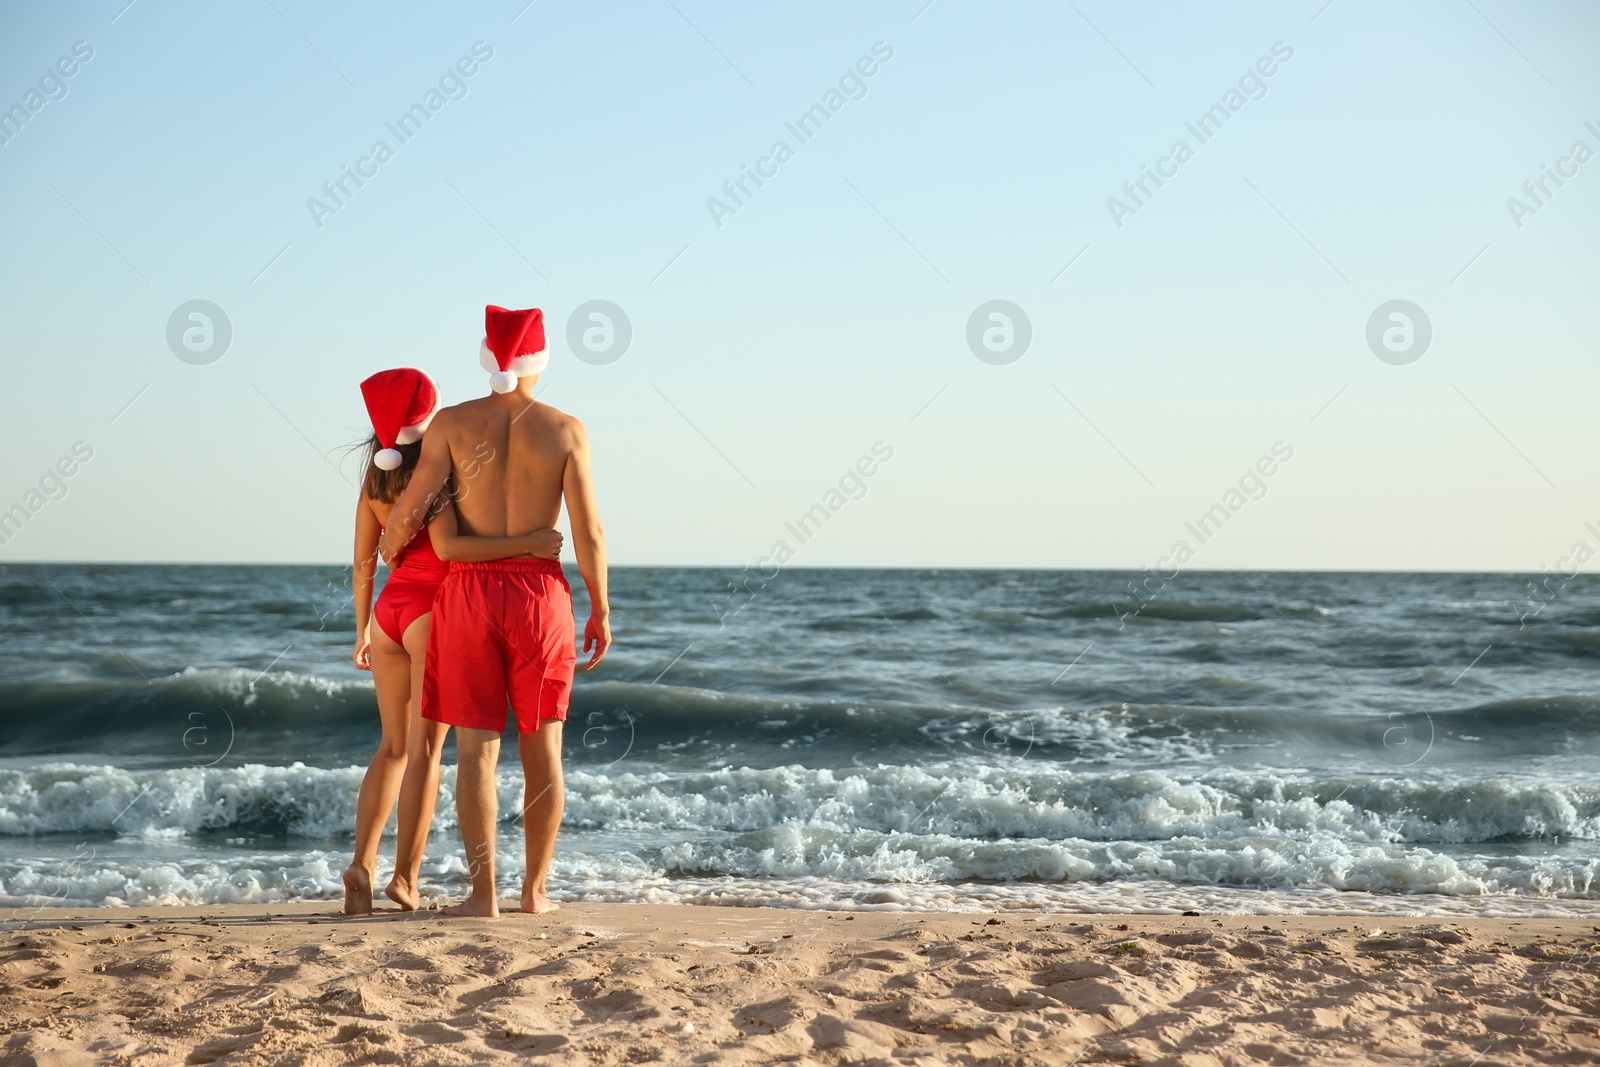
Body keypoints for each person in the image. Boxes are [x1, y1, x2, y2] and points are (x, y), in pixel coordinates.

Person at [380, 305, 609, 917]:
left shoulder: (452, 424)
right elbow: (587, 529)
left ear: (488, 356)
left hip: (468, 594)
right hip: (539, 595)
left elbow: (411, 510)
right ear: (542, 360)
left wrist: (388, 544)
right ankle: (535, 894)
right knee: (544, 750)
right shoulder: (565, 430)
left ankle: (483, 897)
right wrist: (600, 606)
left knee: (476, 752)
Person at [344, 367, 564, 916]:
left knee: (392, 748)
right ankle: (405, 880)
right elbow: (449, 550)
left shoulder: (376, 479)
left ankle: (360, 866)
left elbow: (363, 562)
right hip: (434, 614)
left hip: (388, 612)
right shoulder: (440, 473)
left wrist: (361, 630)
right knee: (427, 751)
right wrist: (531, 543)